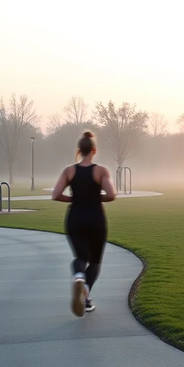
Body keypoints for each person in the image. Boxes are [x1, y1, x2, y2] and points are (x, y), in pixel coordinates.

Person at [51, 131, 116, 317]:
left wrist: (75, 198)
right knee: (95, 261)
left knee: (80, 257)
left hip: (75, 218)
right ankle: (85, 292)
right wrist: (94, 196)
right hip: (95, 218)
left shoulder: (69, 171)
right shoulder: (101, 171)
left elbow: (55, 195)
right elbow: (111, 195)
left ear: (79, 150)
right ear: (94, 150)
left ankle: (78, 277)